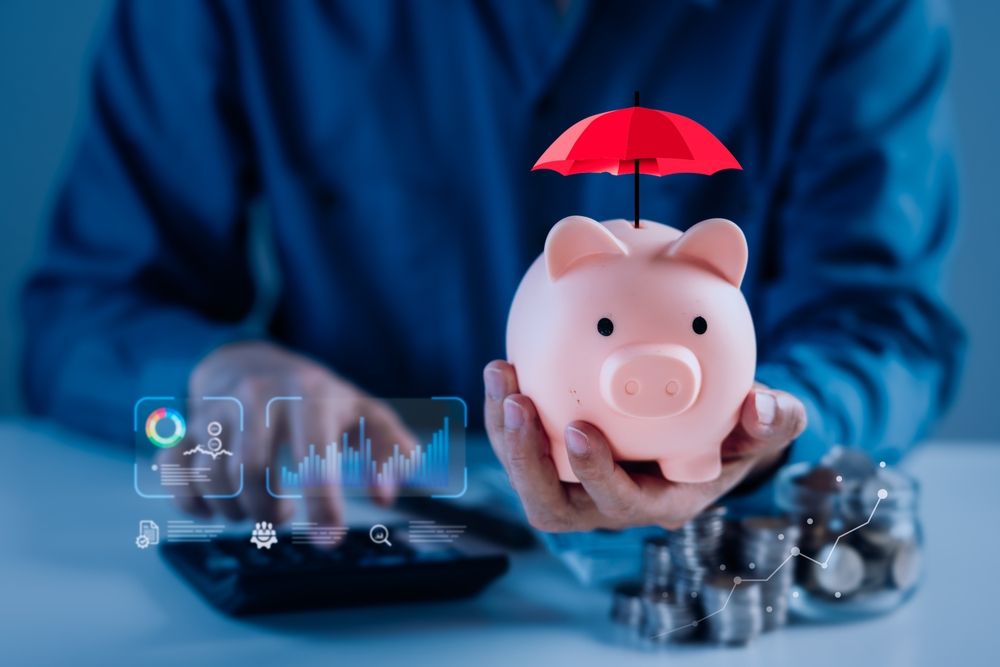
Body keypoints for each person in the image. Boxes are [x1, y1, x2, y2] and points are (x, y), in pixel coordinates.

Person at [22, 1, 963, 534]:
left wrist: (764, 430)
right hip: (355, 522)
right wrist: (214, 373)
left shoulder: (856, 13)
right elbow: (83, 310)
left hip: (684, 557)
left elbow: (880, 326)